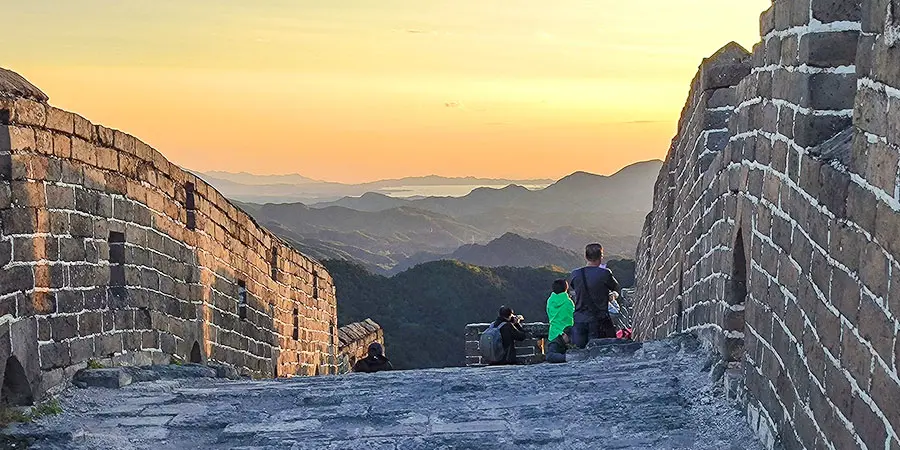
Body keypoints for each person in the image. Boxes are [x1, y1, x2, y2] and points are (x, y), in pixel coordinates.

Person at [569, 243, 621, 348]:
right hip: (599, 321)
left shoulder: (575, 274)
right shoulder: (605, 274)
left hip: (580, 320)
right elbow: (616, 287)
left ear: (586, 256)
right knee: (600, 352)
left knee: (581, 353)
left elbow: (574, 288)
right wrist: (613, 295)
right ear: (601, 257)